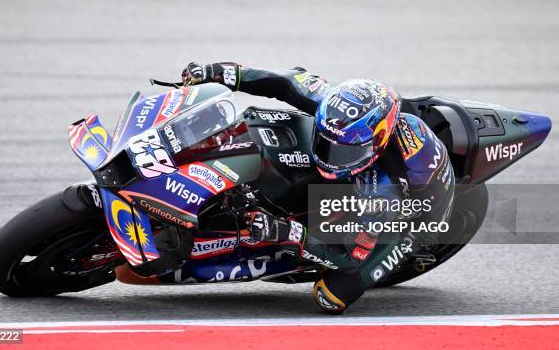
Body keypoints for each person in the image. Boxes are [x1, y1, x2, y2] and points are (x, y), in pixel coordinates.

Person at [181, 62, 455, 313]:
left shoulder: (384, 190)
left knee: (332, 295)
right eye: (326, 144)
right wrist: (223, 73)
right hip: (371, 162)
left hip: (417, 217)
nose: (329, 157)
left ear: (376, 145)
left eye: (343, 153)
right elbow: (283, 81)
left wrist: (285, 231)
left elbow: (346, 256)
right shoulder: (333, 105)